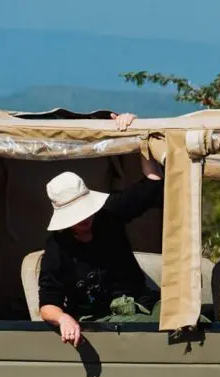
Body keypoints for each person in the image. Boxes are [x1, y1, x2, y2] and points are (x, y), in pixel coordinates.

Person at [38, 112, 164, 346]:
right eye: (75, 215)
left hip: (143, 309)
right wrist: (63, 318)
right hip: (96, 323)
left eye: (86, 210)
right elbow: (47, 304)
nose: (84, 219)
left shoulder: (109, 213)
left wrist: (138, 132)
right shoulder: (57, 248)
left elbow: (153, 185)